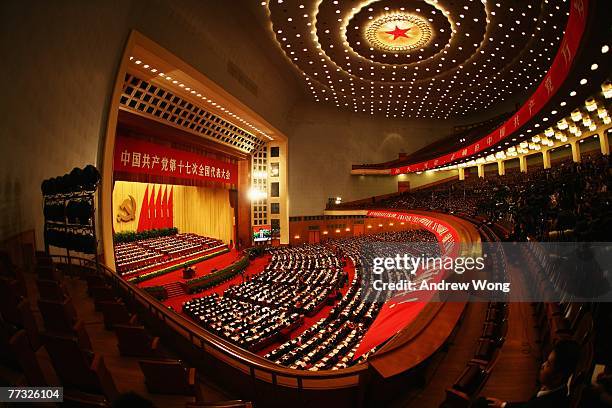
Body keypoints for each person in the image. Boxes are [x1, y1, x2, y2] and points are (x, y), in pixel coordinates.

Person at [484, 339, 580, 407]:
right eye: (546, 361)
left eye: (548, 364)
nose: (542, 365)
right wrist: (503, 405)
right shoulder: (557, 388)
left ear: (557, 377)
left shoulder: (547, 403)